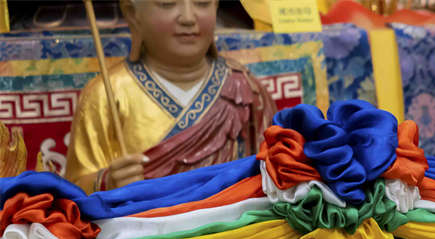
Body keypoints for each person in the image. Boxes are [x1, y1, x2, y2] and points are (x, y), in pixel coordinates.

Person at [64, 0, 276, 192]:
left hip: (233, 220)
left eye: (202, 3)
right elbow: (73, 188)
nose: (188, 18)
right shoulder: (107, 93)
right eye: (168, 4)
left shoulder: (242, 87)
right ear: (132, 14)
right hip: (146, 222)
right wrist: (107, 182)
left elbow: (274, 164)